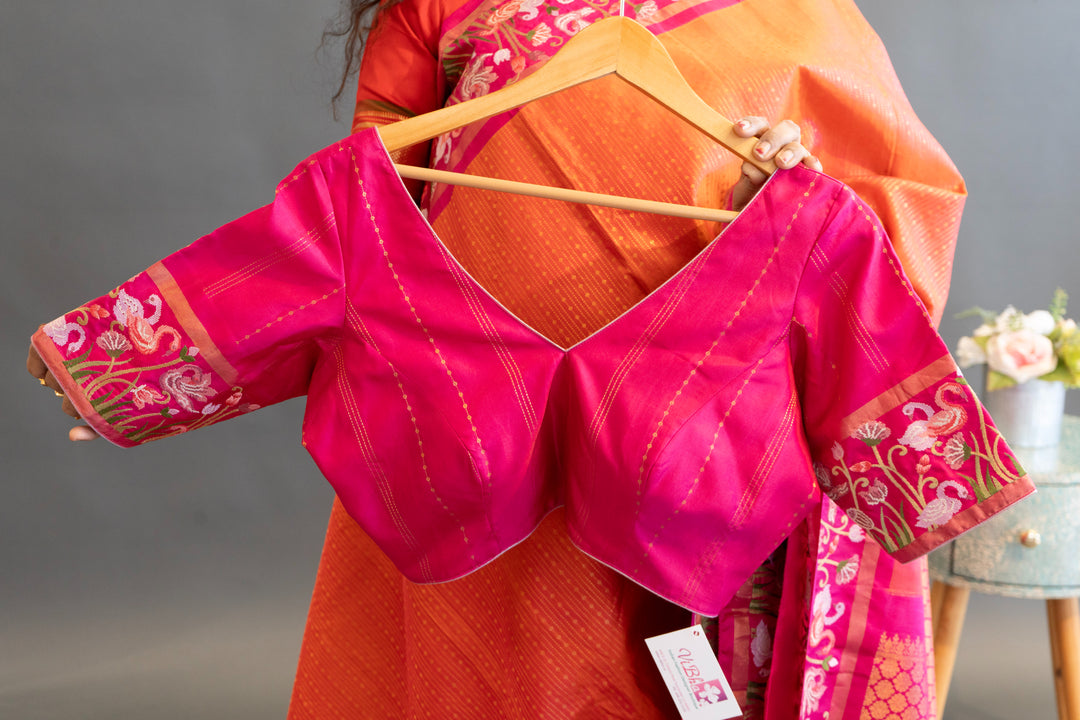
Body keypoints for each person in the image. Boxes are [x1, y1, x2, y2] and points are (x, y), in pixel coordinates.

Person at [28, 0, 977, 718]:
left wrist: (785, 202)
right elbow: (356, 232)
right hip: (471, 432)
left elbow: (891, 222)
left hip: (707, 433)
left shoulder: (800, 15)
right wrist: (137, 363)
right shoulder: (435, 7)